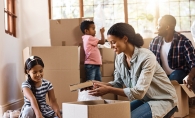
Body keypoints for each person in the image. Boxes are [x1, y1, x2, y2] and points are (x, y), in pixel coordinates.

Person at [88, 23, 178, 118]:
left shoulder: (147, 57)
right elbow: (118, 82)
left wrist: (108, 90)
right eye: (109, 43)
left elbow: (138, 92)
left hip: (163, 100)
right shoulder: (119, 58)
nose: (111, 46)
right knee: (119, 115)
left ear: (125, 39)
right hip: (145, 99)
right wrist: (99, 84)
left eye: (113, 42)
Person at [149, 15, 195, 90]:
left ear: (167, 27)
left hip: (178, 75)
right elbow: (149, 63)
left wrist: (190, 76)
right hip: (161, 76)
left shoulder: (184, 41)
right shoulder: (154, 42)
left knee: (176, 75)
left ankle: (161, 94)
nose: (157, 27)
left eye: (159, 25)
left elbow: (193, 63)